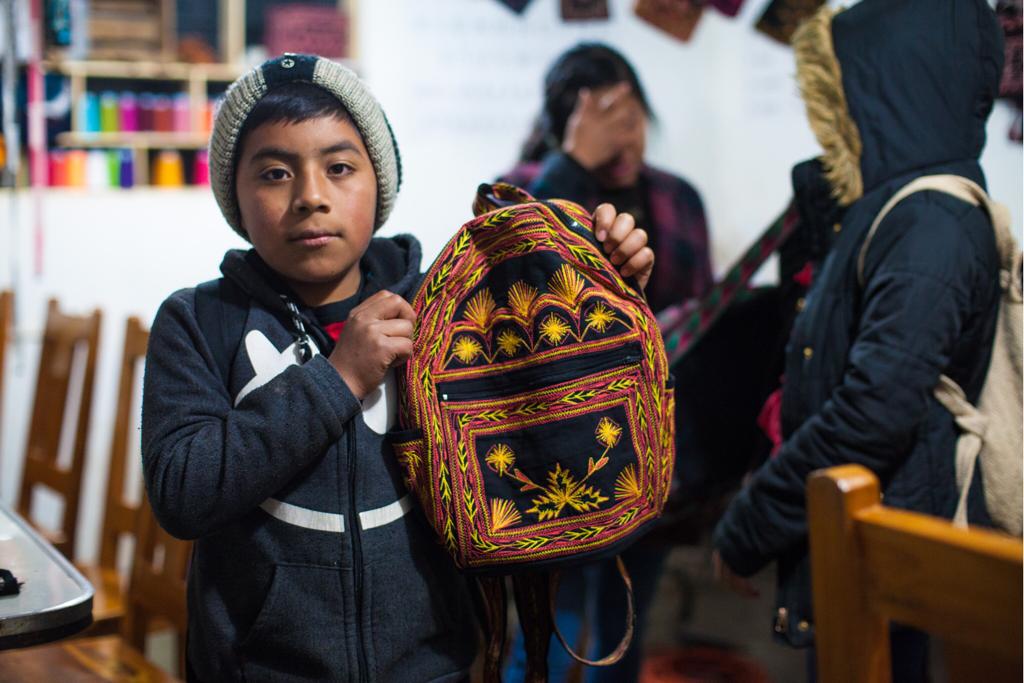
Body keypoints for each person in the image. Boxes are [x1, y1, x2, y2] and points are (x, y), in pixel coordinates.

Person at [140, 54, 655, 683]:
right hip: (260, 671)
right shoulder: (198, 321)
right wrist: (340, 378)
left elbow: (549, 409)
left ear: (377, 185)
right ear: (235, 196)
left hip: (430, 666)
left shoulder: (442, 308)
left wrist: (606, 290)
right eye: (275, 172)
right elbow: (182, 493)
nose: (310, 196)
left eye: (339, 168)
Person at [711, 1, 1004, 680]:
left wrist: (751, 523)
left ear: (894, 82)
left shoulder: (931, 221)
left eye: (848, 89)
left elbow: (873, 412)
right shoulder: (899, 210)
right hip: (872, 536)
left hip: (895, 548)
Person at [500, 42, 712, 682]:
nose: (624, 136)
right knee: (542, 637)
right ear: (568, 124)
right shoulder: (526, 191)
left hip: (649, 463)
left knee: (623, 636)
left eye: (632, 116)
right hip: (546, 461)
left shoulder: (678, 201)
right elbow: (508, 296)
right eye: (604, 119)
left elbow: (702, 326)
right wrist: (573, 162)